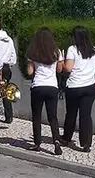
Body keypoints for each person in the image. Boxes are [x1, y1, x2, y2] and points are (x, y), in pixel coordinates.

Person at [62, 25, 95, 152]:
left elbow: (69, 68)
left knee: (71, 113)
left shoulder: (72, 49)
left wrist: (62, 64)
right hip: (89, 87)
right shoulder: (94, 50)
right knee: (86, 115)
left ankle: (66, 138)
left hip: (74, 87)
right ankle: (86, 143)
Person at [25, 26, 65, 155]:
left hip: (38, 86)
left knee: (36, 116)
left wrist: (30, 64)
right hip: (52, 86)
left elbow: (30, 72)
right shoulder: (57, 52)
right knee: (52, 116)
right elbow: (59, 70)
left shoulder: (33, 52)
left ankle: (37, 143)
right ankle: (56, 142)